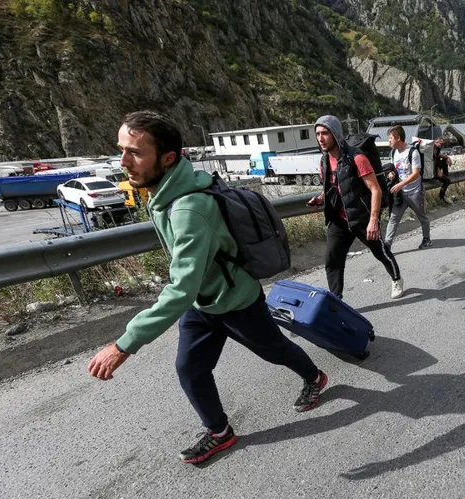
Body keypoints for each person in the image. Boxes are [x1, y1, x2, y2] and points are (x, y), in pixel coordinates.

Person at [88, 111, 328, 465]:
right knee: (190, 368)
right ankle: (219, 432)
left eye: (135, 153)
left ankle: (315, 376)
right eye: (121, 149)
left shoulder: (188, 209)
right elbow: (188, 282)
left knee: (274, 349)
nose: (123, 161)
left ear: (168, 159)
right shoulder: (166, 191)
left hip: (236, 300)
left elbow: (180, 288)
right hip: (202, 303)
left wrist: (125, 344)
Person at [307, 115, 403, 300]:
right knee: (332, 260)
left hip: (361, 217)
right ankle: (336, 300)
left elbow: (375, 190)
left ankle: (396, 278)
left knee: (380, 252)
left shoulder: (357, 157)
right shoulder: (324, 161)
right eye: (318, 134)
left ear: (335, 133)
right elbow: (334, 187)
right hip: (339, 219)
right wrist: (320, 199)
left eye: (325, 133)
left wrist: (373, 221)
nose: (320, 138)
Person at [384, 126, 432, 249]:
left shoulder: (412, 152)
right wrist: (392, 173)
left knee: (422, 216)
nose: (389, 141)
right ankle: (387, 244)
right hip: (400, 194)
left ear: (398, 138)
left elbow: (416, 173)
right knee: (394, 218)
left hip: (415, 192)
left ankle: (426, 239)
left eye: (390, 138)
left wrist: (400, 184)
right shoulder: (394, 152)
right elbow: (395, 168)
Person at [433, 137, 453, 205]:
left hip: (432, 170)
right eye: (438, 143)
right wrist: (438, 170)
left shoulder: (436, 149)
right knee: (448, 181)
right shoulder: (433, 149)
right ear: (435, 142)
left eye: (441, 144)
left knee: (443, 159)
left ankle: (445, 176)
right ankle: (441, 196)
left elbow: (438, 156)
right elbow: (432, 160)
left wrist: (447, 157)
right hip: (432, 172)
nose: (440, 145)